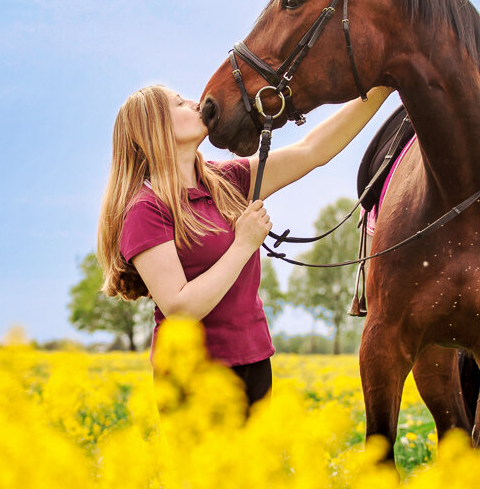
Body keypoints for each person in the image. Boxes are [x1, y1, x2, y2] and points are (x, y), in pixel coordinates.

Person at [97, 84, 391, 409]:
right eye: (179, 103)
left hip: (254, 361)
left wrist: (381, 87)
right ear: (152, 130)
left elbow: (312, 150)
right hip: (192, 377)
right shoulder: (146, 209)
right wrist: (244, 244)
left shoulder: (227, 180)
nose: (197, 103)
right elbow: (180, 309)